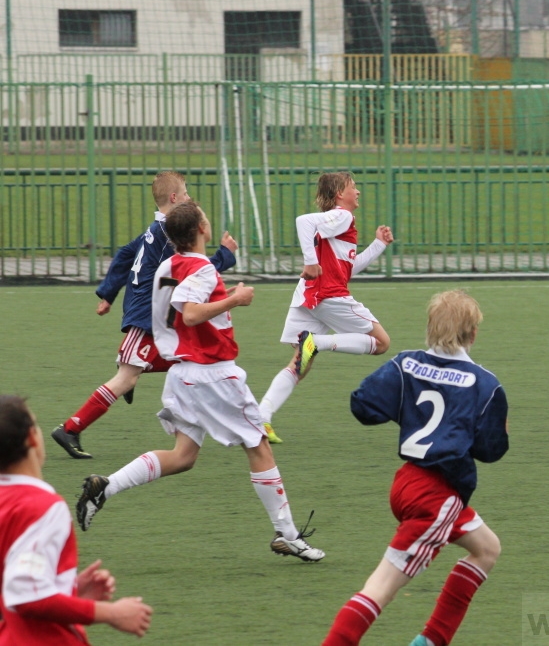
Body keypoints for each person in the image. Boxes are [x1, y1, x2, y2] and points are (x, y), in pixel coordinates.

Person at [75, 201, 324, 563]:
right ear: (201, 229)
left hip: (182, 374)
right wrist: (236, 299)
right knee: (258, 446)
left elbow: (175, 307)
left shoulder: (168, 265)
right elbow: (189, 313)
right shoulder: (204, 269)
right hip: (212, 373)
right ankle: (286, 535)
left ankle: (105, 487)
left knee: (183, 457)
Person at [322, 290, 509, 646]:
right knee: (381, 588)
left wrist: (409, 408)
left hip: (406, 483)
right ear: (473, 334)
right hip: (438, 496)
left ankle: (431, 640)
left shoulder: (405, 363)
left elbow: (363, 406)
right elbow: (490, 451)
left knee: (486, 547)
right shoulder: (485, 383)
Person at [50, 170, 254, 460]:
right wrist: (225, 255)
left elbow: (124, 254)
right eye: (185, 194)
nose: (189, 198)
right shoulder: (167, 235)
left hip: (155, 314)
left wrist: (108, 292)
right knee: (126, 378)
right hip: (148, 315)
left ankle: (241, 423)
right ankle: (70, 428)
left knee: (186, 359)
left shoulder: (154, 229)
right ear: (174, 198)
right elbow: (196, 267)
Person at [0, 394, 153, 644]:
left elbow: (12, 588)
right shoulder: (42, 507)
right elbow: (26, 596)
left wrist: (68, 590)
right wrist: (110, 613)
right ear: (32, 439)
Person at [257, 171, 393, 444]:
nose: (358, 191)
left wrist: (378, 244)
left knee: (300, 364)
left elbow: (347, 269)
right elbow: (302, 221)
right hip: (328, 295)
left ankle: (262, 416)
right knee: (381, 343)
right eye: (353, 186)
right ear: (339, 194)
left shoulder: (335, 224)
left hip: (308, 295)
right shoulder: (343, 216)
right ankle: (317, 341)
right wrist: (309, 260)